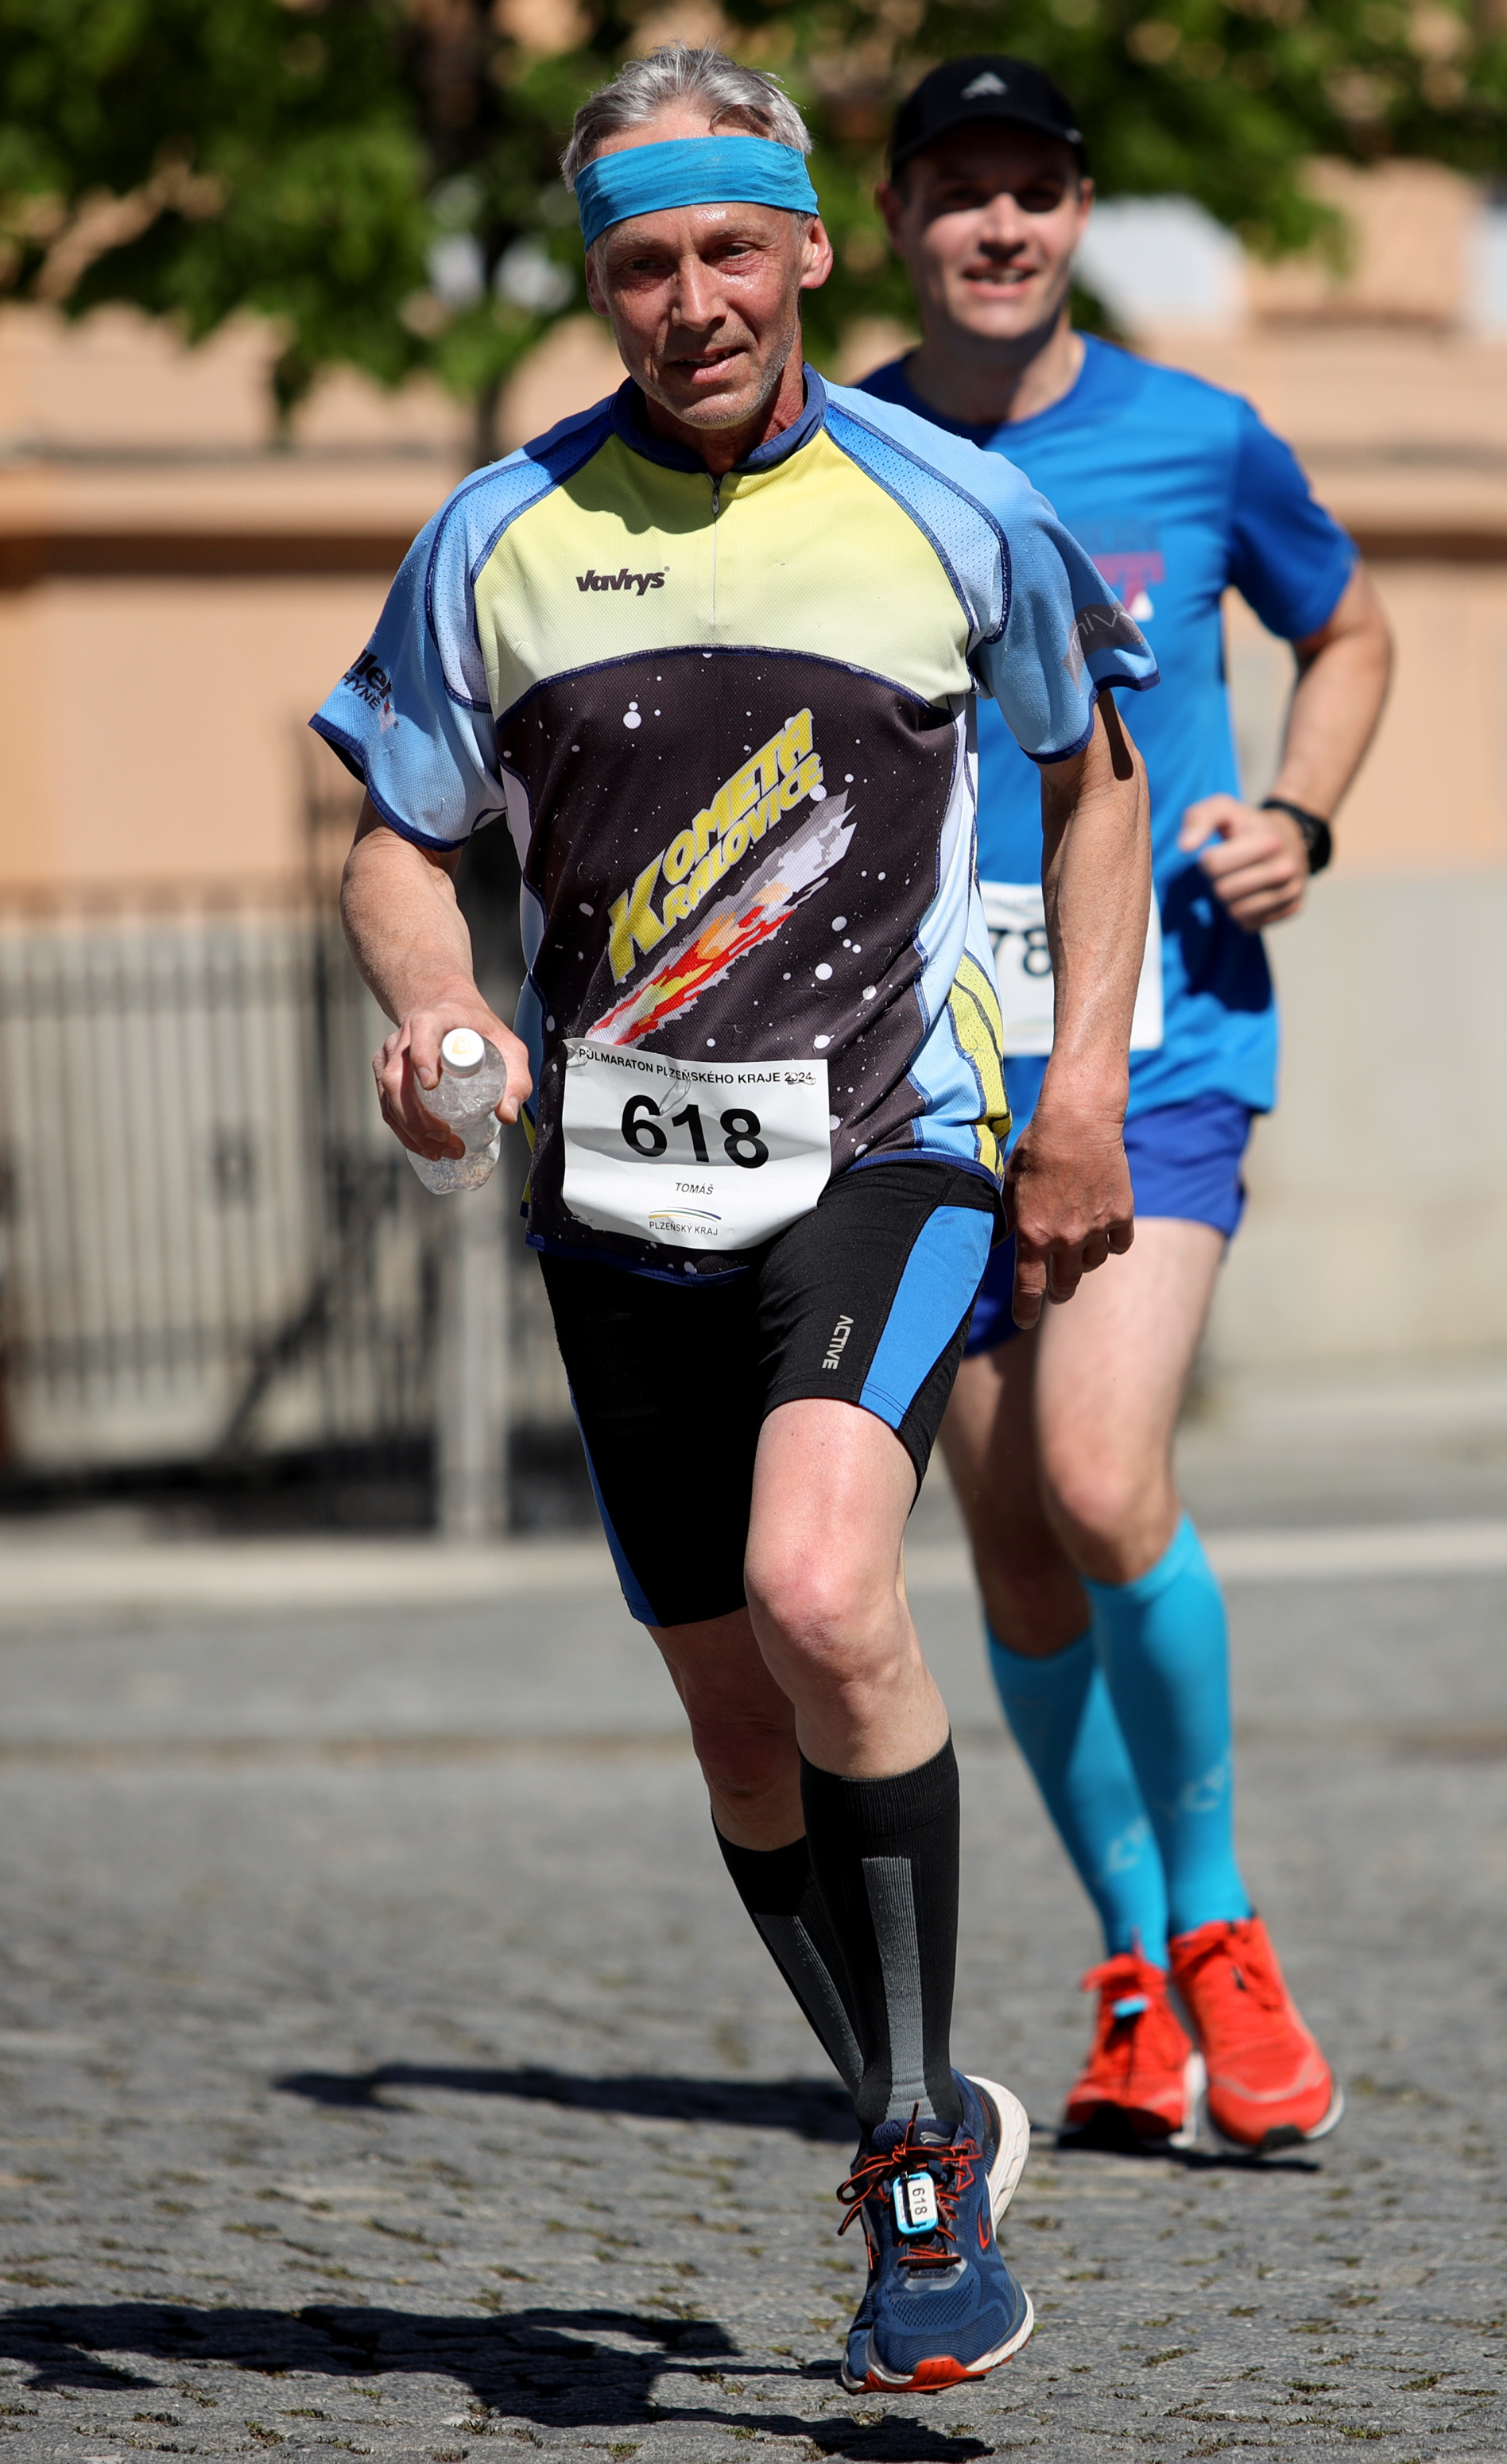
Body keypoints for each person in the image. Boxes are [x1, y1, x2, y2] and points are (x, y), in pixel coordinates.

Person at [316, 44, 1160, 2392]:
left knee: (819, 1588)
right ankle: (929, 2104)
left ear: (802, 248)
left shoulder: (950, 504)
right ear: (598, 282)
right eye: (639, 264)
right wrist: (431, 1005)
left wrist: (1084, 1088)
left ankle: (908, 2179)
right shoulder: (496, 535)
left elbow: (1095, 785)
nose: (689, 302)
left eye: (726, 250)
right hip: (615, 1194)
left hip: (884, 1147)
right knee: (735, 1725)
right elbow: (397, 835)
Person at [858, 56, 1393, 2155]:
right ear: (894, 219)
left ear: (1080, 213)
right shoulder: (844, 457)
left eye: (1035, 189)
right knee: (1008, 1545)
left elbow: (1349, 629)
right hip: (926, 1066)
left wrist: (1300, 815)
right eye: (959, 190)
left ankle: (1225, 1928)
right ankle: (1132, 1973)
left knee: (1097, 1475)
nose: (999, 226)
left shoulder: (1200, 433)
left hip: (1162, 1041)